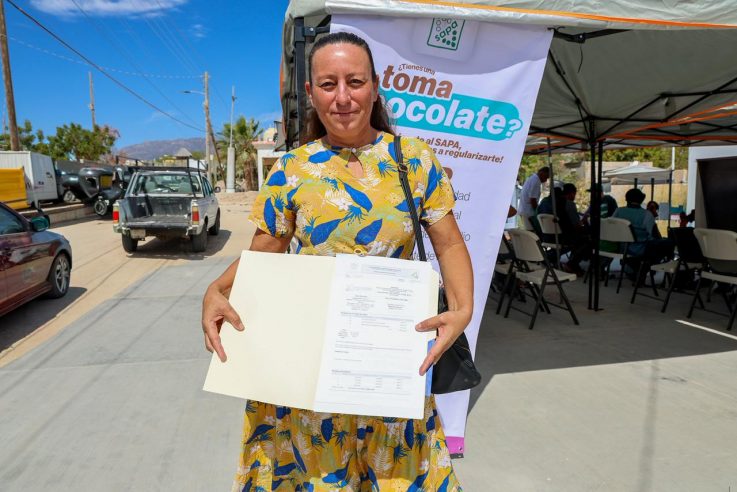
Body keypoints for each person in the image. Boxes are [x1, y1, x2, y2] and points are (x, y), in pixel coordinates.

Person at [201, 32, 471, 491]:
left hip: (389, 367)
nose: (343, 97)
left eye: (355, 82)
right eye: (328, 84)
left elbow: (448, 245)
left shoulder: (413, 160)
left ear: (375, 87)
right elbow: (264, 253)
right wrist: (217, 289)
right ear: (311, 93)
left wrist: (462, 310)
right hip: (309, 375)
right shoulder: (291, 169)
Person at [613, 188, 673, 266]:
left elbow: (612, 229)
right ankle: (663, 266)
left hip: (622, 249)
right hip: (640, 250)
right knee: (670, 242)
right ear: (641, 200)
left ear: (626, 199)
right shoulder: (647, 214)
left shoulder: (618, 211)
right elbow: (655, 237)